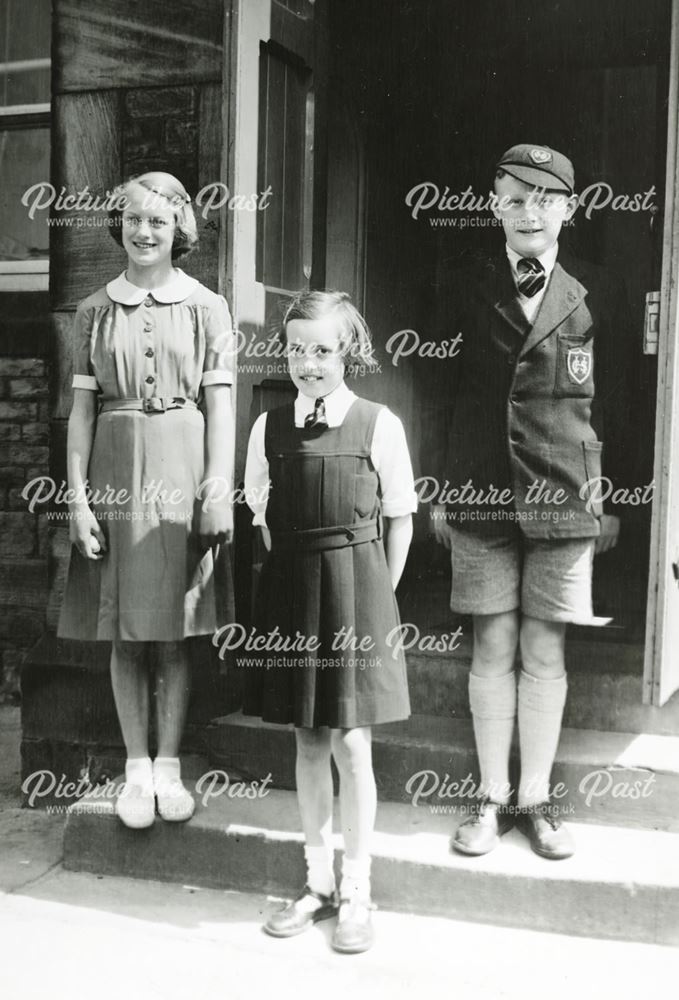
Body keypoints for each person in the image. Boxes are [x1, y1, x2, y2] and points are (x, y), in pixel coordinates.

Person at [429, 144, 634, 860]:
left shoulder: (597, 290)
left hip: (565, 494)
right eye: (512, 198)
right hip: (479, 492)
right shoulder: (463, 285)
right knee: (491, 642)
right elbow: (441, 393)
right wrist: (437, 485)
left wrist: (610, 497)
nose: (527, 212)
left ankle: (536, 798)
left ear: (568, 211)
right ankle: (487, 798)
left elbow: (618, 404)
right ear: (492, 206)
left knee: (544, 645)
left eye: (543, 199)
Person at [58, 171, 235, 830]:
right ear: (119, 226)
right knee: (127, 631)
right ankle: (135, 767)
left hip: (184, 469)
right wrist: (77, 500)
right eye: (133, 220)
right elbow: (79, 415)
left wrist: (218, 485)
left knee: (174, 629)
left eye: (157, 221)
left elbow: (221, 405)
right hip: (114, 469)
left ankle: (167, 766)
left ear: (179, 229)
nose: (143, 232)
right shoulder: (92, 311)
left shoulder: (207, 307)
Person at [242, 290, 416, 952]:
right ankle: (315, 882)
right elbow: (260, 517)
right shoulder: (267, 427)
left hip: (357, 594)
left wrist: (376, 596)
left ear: (348, 352)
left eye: (323, 350)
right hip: (293, 592)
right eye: (297, 350)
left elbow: (400, 516)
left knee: (351, 743)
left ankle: (356, 891)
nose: (309, 363)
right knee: (308, 742)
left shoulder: (378, 423)